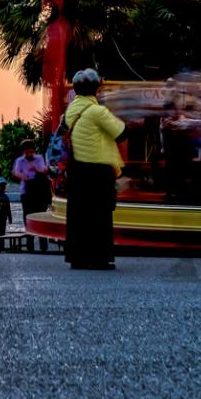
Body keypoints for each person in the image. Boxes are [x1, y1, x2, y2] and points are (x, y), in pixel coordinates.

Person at [62, 70, 124, 269]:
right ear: (96, 89)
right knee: (100, 215)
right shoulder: (98, 111)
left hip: (76, 169)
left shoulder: (70, 110)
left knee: (78, 216)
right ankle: (98, 258)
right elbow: (121, 133)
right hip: (97, 169)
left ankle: (77, 258)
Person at [12, 142, 52, 227]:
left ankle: (42, 238)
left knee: (41, 214)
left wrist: (37, 169)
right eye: (27, 152)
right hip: (26, 192)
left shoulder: (39, 158)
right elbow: (16, 172)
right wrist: (26, 176)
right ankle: (29, 236)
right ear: (23, 152)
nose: (29, 154)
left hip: (39, 191)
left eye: (31, 152)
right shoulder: (20, 161)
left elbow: (43, 169)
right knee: (27, 215)